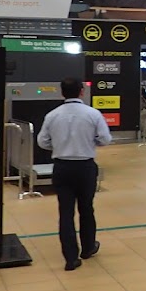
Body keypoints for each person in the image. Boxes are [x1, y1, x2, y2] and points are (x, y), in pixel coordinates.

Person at [37, 77, 112, 271]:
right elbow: (105, 139)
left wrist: (59, 146)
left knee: (65, 212)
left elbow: (42, 141)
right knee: (86, 208)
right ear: (82, 91)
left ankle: (70, 258)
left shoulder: (52, 115)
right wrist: (89, 143)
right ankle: (88, 248)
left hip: (62, 167)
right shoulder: (93, 114)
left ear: (62, 92)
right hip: (85, 166)